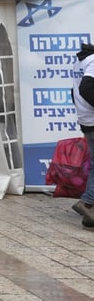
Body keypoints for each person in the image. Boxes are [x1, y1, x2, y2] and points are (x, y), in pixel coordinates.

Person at [70, 42, 94, 228]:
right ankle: (87, 203)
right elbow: (86, 87)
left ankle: (89, 216)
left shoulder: (81, 61)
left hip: (87, 120)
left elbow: (74, 91)